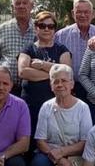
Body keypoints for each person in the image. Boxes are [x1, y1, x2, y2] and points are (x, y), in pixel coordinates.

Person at [27, 64, 92, 166]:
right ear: (51, 85)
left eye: (64, 80)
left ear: (72, 84)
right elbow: (40, 141)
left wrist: (62, 152)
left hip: (75, 154)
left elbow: (85, 142)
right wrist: (59, 159)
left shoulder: (83, 108)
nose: (60, 84)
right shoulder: (46, 107)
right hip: (50, 154)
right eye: (56, 81)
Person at [17, 11, 71, 139]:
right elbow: (23, 71)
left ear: (54, 29)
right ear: (36, 28)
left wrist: (42, 64)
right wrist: (54, 74)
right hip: (31, 104)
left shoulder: (62, 49)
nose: (46, 29)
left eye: (50, 26)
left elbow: (67, 71)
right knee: (30, 138)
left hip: (56, 105)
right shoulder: (28, 49)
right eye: (42, 26)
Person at [54, 0, 95, 103]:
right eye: (79, 12)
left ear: (93, 14)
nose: (83, 15)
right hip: (70, 89)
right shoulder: (60, 36)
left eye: (86, 12)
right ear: (73, 13)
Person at [0, 0, 36, 96]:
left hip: (33, 87)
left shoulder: (41, 29)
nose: (21, 6)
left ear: (32, 6)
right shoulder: (1, 29)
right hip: (5, 88)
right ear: (12, 7)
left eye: (25, 3)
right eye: (17, 3)